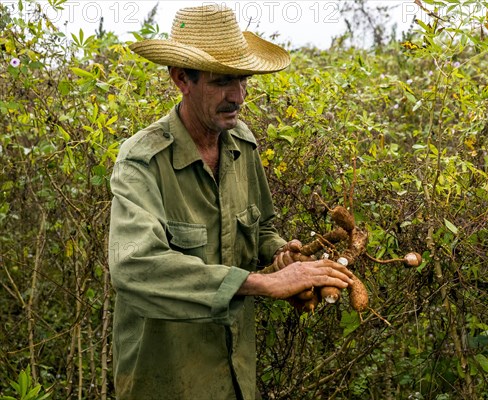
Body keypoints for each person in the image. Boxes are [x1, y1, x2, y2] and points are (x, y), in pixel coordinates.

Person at [108, 5, 354, 400]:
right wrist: (265, 283)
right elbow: (134, 266)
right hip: (166, 379)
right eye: (222, 82)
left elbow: (261, 230)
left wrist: (282, 256)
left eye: (242, 80)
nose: (237, 96)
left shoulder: (242, 144)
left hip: (236, 374)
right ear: (181, 79)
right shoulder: (143, 161)